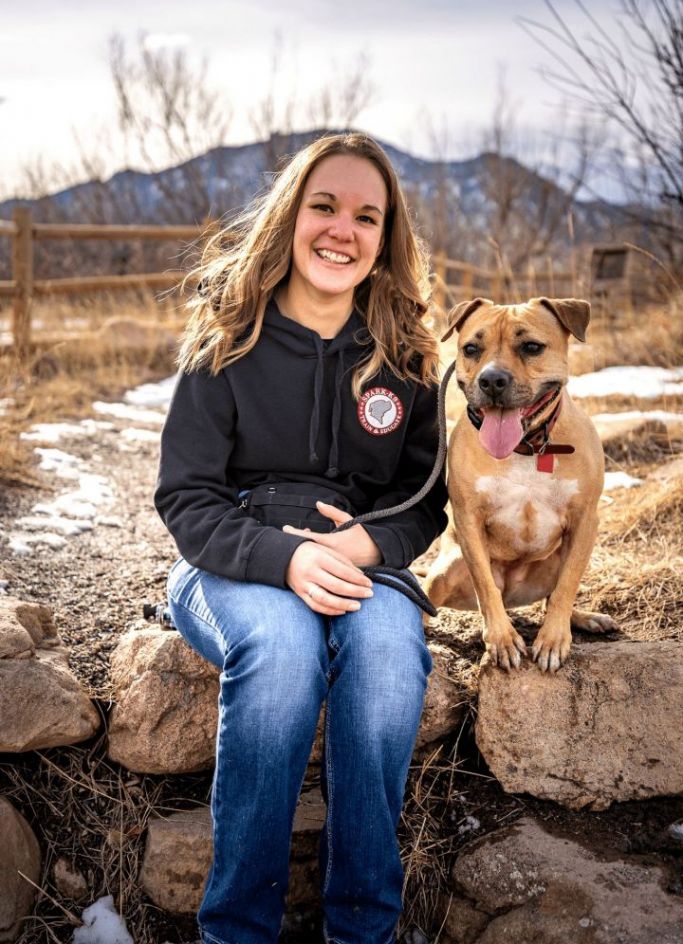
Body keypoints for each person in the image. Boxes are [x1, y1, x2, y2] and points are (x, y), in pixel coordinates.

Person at [155, 132, 447, 944]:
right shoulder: (227, 339)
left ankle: (362, 926)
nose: (341, 230)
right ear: (290, 216)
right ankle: (236, 929)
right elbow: (185, 497)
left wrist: (367, 544)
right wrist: (285, 558)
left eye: (366, 216)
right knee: (282, 652)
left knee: (386, 657)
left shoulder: (406, 356)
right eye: (324, 206)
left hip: (360, 565)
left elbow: (423, 498)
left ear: (385, 238)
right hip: (233, 558)